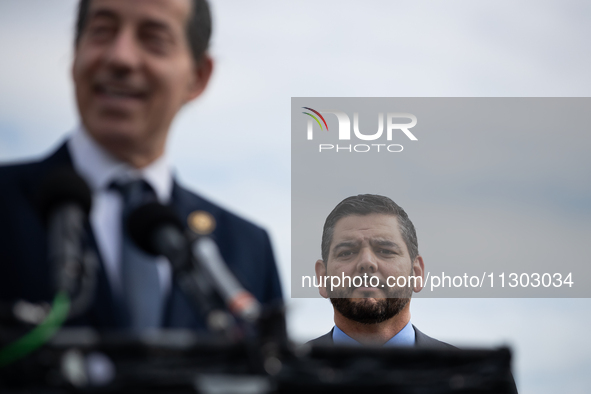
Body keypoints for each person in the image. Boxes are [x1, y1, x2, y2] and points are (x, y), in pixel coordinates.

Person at [0, 0, 282, 330]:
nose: (120, 57)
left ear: (198, 76)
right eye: (102, 32)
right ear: (75, 54)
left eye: (154, 39)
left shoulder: (247, 248)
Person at [309, 194, 451, 348]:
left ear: (416, 274)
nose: (366, 262)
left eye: (385, 251)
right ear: (323, 278)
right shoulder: (284, 369)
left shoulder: (462, 370)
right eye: (347, 252)